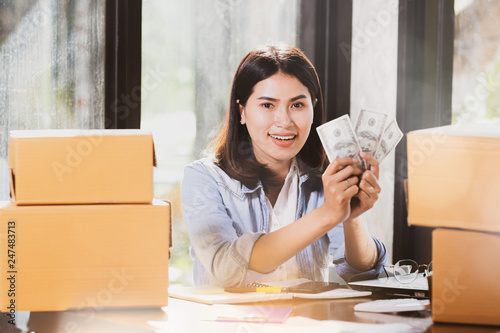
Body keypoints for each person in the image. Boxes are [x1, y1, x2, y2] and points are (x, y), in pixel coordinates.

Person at [181, 44, 387, 288]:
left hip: (305, 323)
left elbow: (362, 273)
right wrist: (327, 215)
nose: (285, 121)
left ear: (313, 108)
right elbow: (226, 268)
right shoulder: (204, 178)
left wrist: (352, 218)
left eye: (297, 105)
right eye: (267, 105)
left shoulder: (326, 178)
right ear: (242, 111)